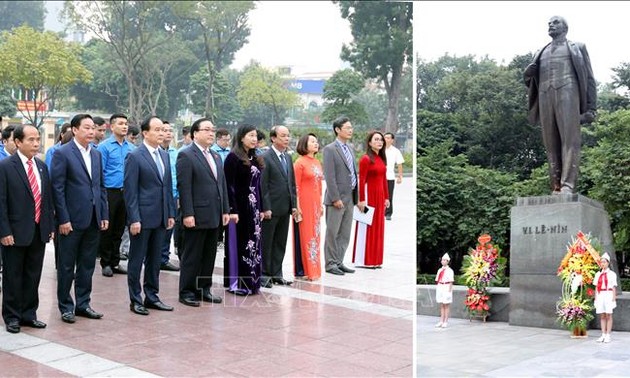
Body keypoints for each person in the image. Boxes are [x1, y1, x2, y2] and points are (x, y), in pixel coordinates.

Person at [524, 15, 597, 194]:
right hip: (544, 95)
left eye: (555, 22)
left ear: (565, 27)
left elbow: (589, 79)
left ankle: (567, 185)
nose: (550, 25)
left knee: (569, 141)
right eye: (549, 23)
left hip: (568, 92)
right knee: (551, 143)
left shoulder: (577, 47)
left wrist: (591, 108)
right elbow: (529, 81)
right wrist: (527, 73)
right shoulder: (540, 51)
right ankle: (556, 185)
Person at [51, 114, 109, 324]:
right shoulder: (63, 153)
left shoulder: (96, 154)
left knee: (87, 265)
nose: (91, 132)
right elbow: (57, 189)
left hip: (93, 218)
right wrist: (63, 219)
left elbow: (100, 186)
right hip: (71, 220)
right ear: (74, 130)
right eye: (86, 128)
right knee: (66, 265)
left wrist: (103, 214)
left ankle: (83, 304)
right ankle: (66, 306)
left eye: (93, 128)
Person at [0, 125, 55, 333]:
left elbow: (46, 199)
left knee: (33, 274)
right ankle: (12, 317)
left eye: (37, 139)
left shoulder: (41, 166)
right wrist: (4, 231)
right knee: (13, 275)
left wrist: (48, 226)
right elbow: (1, 202)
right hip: (14, 232)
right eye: (30, 140)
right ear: (18, 142)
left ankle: (29, 314)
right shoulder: (5, 167)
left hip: (38, 230)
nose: (35, 143)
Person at [123, 116, 176, 315]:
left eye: (163, 130)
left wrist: (170, 212)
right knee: (137, 259)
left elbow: (167, 188)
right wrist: (134, 218)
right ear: (145, 133)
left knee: (155, 260)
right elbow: (130, 191)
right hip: (142, 218)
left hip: (161, 217)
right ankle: (135, 299)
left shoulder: (164, 155)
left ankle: (152, 296)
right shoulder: (135, 156)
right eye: (157, 130)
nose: (162, 133)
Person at [176, 118, 229, 306]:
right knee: (192, 255)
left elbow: (221, 185)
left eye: (212, 130)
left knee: (209, 254)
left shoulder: (215, 156)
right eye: (206, 130)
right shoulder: (186, 155)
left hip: (214, 214)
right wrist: (188, 213)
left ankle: (203, 288)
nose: (211, 133)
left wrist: (225, 210)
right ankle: (187, 291)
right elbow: (185, 187)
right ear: (195, 133)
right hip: (196, 215)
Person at [223, 124, 265, 295]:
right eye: (250, 136)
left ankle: (253, 281)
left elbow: (258, 186)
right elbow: (229, 186)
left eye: (256, 136)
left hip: (254, 210)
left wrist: (261, 208)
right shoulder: (233, 158)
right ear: (241, 137)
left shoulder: (255, 158)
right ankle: (238, 283)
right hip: (239, 210)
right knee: (240, 244)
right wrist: (232, 210)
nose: (254, 139)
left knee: (254, 245)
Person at [260, 126, 298, 287]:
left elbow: (292, 183)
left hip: (285, 207)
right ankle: (264, 274)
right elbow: (263, 185)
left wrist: (294, 205)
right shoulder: (265, 157)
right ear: (273, 138)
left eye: (288, 136)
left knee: (280, 242)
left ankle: (277, 273)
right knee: (267, 242)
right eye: (283, 136)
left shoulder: (288, 157)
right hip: (271, 209)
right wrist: (265, 207)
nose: (286, 139)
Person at [322, 116, 358, 275]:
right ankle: (330, 264)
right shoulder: (330, 149)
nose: (350, 130)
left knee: (345, 233)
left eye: (351, 127)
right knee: (333, 232)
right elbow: (329, 176)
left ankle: (339, 261)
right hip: (336, 199)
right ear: (337, 129)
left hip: (350, 197)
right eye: (347, 127)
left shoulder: (350, 148)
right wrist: (335, 198)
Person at [97, 113, 130, 277]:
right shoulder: (104, 147)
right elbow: (100, 172)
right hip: (110, 192)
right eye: (121, 123)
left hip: (126, 192)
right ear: (112, 126)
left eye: (126, 124)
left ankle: (116, 262)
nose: (125, 126)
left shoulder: (131, 148)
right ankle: (106, 262)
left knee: (120, 229)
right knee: (107, 229)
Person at [353, 131, 390, 268]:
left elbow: (384, 179)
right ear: (369, 142)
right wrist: (361, 200)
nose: (379, 142)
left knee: (378, 227)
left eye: (381, 140)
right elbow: (361, 180)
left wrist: (387, 197)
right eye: (376, 139)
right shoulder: (366, 159)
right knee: (367, 226)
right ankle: (364, 260)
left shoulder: (381, 159)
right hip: (369, 196)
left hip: (380, 197)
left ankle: (375, 260)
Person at [292, 133, 323, 281]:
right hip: (304, 203)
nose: (316, 144)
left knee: (315, 235)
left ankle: (314, 267)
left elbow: (319, 185)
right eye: (312, 141)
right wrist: (297, 207)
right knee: (305, 234)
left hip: (316, 204)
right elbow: (295, 186)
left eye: (316, 142)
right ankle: (305, 269)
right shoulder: (300, 163)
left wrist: (321, 204)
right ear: (304, 144)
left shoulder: (316, 162)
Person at [158, 121, 179, 272]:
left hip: (172, 195)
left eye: (170, 131)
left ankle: (163, 258)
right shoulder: (154, 152)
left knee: (169, 228)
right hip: (157, 196)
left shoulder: (175, 153)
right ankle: (152, 256)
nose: (168, 133)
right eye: (164, 130)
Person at [594, 253, 617, 343]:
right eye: (601, 262)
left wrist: (613, 298)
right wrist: (596, 298)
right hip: (600, 294)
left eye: (604, 262)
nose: (602, 264)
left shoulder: (612, 274)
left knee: (608, 314)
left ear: (608, 263)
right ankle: (603, 334)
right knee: (602, 315)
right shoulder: (598, 274)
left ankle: (608, 335)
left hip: (608, 294)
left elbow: (614, 287)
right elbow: (596, 287)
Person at [383, 132, 404, 221]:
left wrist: (400, 176)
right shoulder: (379, 149)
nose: (386, 139)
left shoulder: (396, 151)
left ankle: (388, 213)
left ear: (392, 140)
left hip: (390, 177)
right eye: (385, 137)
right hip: (379, 177)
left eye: (388, 138)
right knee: (378, 196)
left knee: (389, 196)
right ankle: (379, 212)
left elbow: (399, 164)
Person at [435, 253, 454, 328]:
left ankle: (446, 321)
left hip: (446, 286)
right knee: (442, 305)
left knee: (446, 305)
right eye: (442, 260)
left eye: (444, 260)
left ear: (447, 261)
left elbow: (451, 281)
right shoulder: (440, 270)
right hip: (440, 286)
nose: (442, 261)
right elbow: (437, 280)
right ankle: (441, 321)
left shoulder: (450, 271)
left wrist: (449, 291)